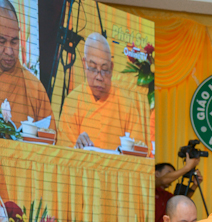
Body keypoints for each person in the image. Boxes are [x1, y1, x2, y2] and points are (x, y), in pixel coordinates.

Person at [59, 33, 145, 150]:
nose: (99, 77)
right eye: (93, 68)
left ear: (112, 67)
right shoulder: (72, 101)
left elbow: (139, 150)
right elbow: (63, 151)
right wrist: (76, 147)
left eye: (105, 69)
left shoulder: (126, 103)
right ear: (84, 64)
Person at [0, 0, 55, 130]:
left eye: (14, 42)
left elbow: (50, 136)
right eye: (2, 42)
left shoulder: (34, 88)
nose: (9, 51)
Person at [155, 157, 203, 222]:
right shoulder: (148, 185)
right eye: (169, 173)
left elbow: (180, 203)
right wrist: (187, 168)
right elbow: (162, 180)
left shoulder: (166, 195)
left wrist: (195, 185)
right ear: (156, 173)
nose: (173, 177)